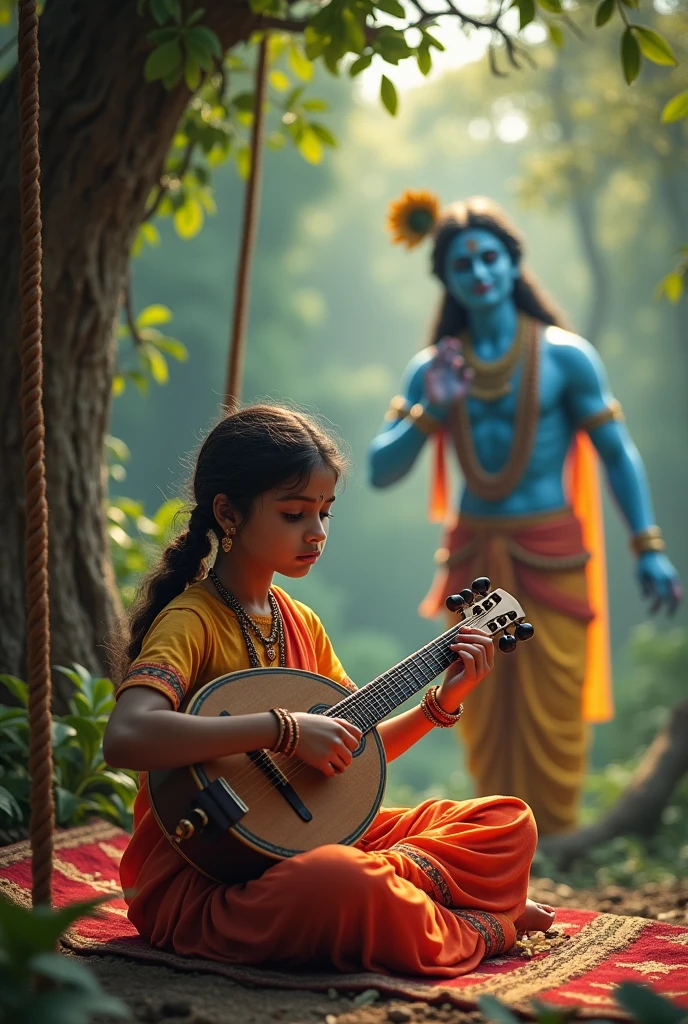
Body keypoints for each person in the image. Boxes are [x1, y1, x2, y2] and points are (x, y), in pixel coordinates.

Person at [104, 404, 552, 977]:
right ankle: (482, 923)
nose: (316, 533)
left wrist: (443, 701)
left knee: (507, 822)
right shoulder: (192, 620)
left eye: (324, 513)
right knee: (339, 880)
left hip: (299, 839)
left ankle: (396, 891)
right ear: (227, 513)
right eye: (294, 514)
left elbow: (353, 750)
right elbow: (126, 736)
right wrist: (282, 729)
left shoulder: (301, 622)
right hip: (206, 879)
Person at [369, 193, 682, 837]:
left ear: (514, 264)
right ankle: (497, 836)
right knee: (477, 696)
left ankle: (557, 840)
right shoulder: (436, 368)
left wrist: (646, 545)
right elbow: (379, 470)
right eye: (464, 264)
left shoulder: (566, 356)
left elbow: (617, 453)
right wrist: (433, 407)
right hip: (474, 558)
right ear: (448, 279)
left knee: (552, 701)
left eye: (491, 258)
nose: (479, 273)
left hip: (551, 551)